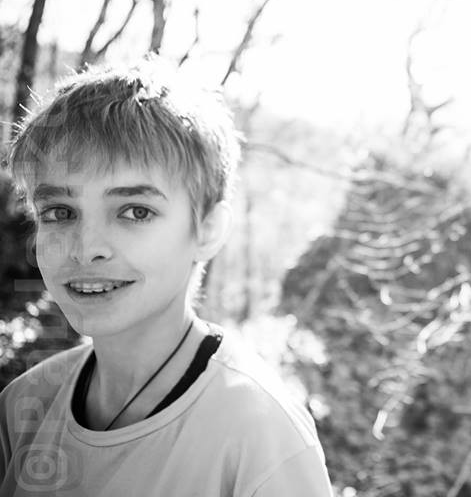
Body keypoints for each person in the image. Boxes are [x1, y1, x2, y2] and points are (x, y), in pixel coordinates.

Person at [0, 61, 334, 496]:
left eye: (135, 211)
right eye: (60, 212)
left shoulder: (261, 435)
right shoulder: (23, 406)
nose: (86, 248)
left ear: (207, 230)